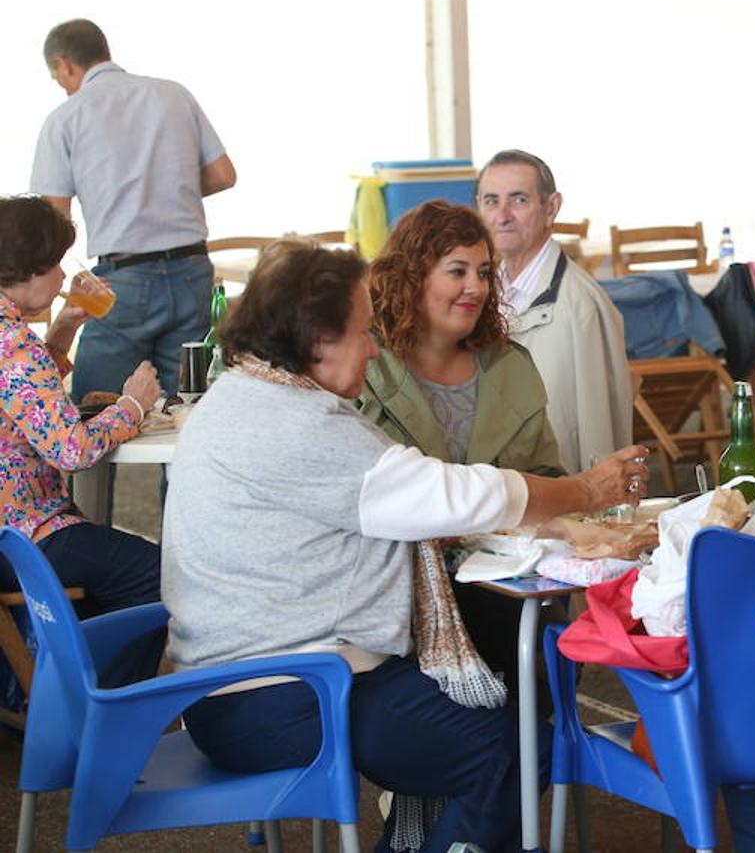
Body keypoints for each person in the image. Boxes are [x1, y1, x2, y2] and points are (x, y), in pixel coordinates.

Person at [162, 238, 648, 852]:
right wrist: (584, 489)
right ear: (316, 339)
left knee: (487, 723)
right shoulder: (298, 423)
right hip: (285, 692)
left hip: (234, 683)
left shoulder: (241, 393)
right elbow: (447, 492)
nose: (373, 347)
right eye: (363, 333)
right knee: (513, 749)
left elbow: (412, 497)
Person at [356, 200, 564, 696]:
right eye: (457, 271)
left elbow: (547, 476)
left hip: (502, 580)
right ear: (412, 277)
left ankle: (531, 756)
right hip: (396, 590)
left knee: (534, 646)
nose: (476, 287)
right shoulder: (365, 367)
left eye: (485, 272)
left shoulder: (511, 367)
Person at [0, 196, 163, 688]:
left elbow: (21, 399)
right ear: (33, 269)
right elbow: (69, 448)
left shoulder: (13, 339)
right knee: (154, 574)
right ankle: (102, 712)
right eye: (56, 266)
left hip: (12, 530)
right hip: (23, 536)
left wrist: (63, 329)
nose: (63, 278)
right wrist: (132, 406)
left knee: (108, 569)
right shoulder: (12, 343)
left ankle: (67, 688)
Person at [30, 18, 236, 399]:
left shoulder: (66, 118)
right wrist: (166, 193)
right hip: (192, 271)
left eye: (56, 76)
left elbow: (51, 220)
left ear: (64, 64)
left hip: (124, 277)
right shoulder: (174, 94)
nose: (61, 85)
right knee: (183, 411)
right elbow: (223, 175)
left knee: (96, 407)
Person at [475, 149, 632, 474]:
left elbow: (599, 434)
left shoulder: (581, 306)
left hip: (564, 505)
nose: (502, 215)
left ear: (551, 208)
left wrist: (598, 512)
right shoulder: (485, 292)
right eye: (491, 201)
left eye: (518, 200)